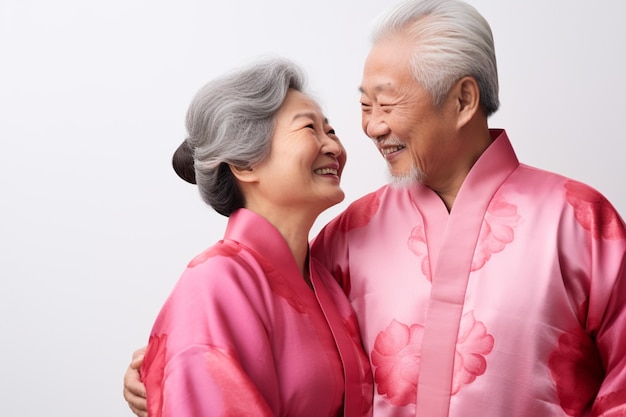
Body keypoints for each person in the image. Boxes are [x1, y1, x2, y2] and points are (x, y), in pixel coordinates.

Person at [125, 0, 626, 416]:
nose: (370, 129)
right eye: (363, 107)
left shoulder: (579, 220)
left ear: (463, 100)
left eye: (386, 105)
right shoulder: (343, 239)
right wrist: (169, 368)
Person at [130, 57, 373, 417]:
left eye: (331, 131)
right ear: (245, 164)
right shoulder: (214, 281)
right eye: (310, 129)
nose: (334, 147)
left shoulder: (325, 278)